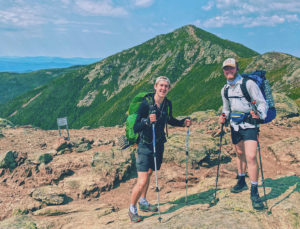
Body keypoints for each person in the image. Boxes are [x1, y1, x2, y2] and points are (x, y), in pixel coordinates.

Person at [129, 76, 191, 222]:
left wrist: (182, 123)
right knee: (142, 180)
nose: (163, 88)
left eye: (166, 86)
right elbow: (136, 127)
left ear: (169, 88)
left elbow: (168, 119)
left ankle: (143, 201)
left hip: (158, 144)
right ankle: (132, 208)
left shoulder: (167, 104)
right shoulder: (146, 104)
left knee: (150, 172)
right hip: (145, 145)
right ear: (155, 87)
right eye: (161, 86)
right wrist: (146, 121)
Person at [219, 58, 268, 210]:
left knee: (251, 156)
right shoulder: (225, 89)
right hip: (235, 125)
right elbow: (226, 108)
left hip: (249, 124)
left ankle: (254, 192)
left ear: (237, 69)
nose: (229, 71)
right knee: (239, 153)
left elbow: (262, 102)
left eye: (231, 68)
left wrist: (260, 115)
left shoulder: (248, 84)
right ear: (224, 71)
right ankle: (241, 181)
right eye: (226, 69)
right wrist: (223, 116)